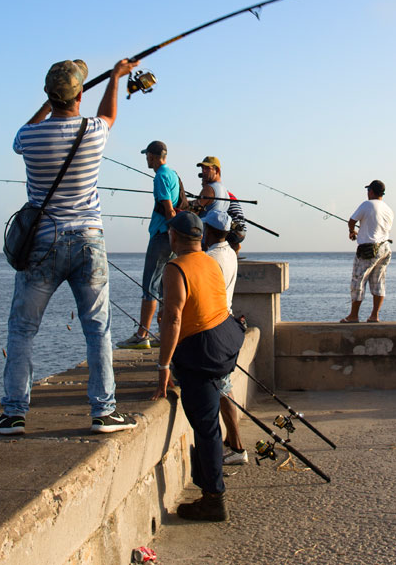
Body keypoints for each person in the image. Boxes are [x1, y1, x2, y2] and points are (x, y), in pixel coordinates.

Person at [0, 57, 141, 435]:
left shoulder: (29, 137)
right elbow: (109, 115)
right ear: (79, 95)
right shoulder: (92, 130)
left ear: (48, 96)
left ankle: (14, 413)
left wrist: (49, 102)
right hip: (88, 240)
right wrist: (115, 78)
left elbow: (25, 130)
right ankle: (104, 412)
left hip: (42, 241)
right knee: (97, 329)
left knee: (22, 329)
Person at [151, 212, 245, 522]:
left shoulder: (174, 268)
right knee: (208, 421)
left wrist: (164, 366)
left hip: (202, 355)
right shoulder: (211, 261)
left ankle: (213, 499)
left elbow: (174, 319)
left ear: (173, 238)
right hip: (226, 341)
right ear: (200, 237)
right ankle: (208, 483)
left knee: (206, 428)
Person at [117, 141, 180, 349]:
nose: (146, 159)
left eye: (147, 156)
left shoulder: (161, 176)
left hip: (162, 236)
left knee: (149, 286)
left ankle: (142, 334)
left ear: (153, 156)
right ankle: (164, 331)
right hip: (169, 239)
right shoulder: (173, 174)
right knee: (164, 287)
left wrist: (171, 233)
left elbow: (169, 210)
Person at [202, 211, 246, 465]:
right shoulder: (230, 253)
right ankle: (232, 441)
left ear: (207, 230)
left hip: (215, 328)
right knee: (223, 386)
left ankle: (237, 447)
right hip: (228, 324)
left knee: (223, 388)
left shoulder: (211, 258)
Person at [340, 179, 394, 323]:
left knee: (358, 280)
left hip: (368, 249)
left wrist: (352, 232)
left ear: (371, 191)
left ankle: (353, 316)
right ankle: (374, 316)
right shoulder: (388, 209)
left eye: (368, 190)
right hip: (385, 248)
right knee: (378, 282)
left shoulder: (367, 204)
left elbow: (352, 221)